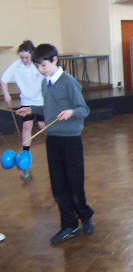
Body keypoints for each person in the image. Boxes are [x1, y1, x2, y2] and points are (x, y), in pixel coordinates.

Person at [16, 44, 94, 244]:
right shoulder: (45, 83)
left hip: (71, 140)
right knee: (58, 186)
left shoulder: (69, 83)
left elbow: (83, 109)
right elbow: (48, 108)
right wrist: (30, 109)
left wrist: (71, 112)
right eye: (38, 67)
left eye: (43, 65)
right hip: (53, 140)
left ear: (54, 60)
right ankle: (69, 225)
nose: (41, 70)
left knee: (75, 184)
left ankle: (85, 215)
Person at [1, 40, 45, 179]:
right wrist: (6, 93)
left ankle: (57, 148)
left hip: (41, 102)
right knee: (26, 127)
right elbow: (3, 79)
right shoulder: (17, 65)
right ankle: (25, 158)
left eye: (27, 57)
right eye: (22, 57)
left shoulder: (38, 64)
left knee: (42, 126)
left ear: (32, 54)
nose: (24, 60)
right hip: (26, 102)